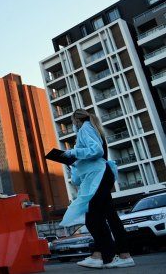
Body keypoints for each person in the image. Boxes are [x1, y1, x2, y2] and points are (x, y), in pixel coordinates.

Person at [59, 109, 135, 269]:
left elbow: (96, 151)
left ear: (76, 120)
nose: (73, 125)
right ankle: (106, 255)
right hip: (99, 175)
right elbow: (91, 156)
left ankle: (107, 255)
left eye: (72, 122)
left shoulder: (85, 128)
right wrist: (73, 159)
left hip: (98, 175)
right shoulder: (92, 127)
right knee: (101, 217)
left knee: (96, 218)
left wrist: (72, 152)